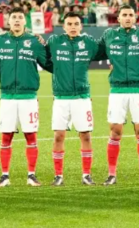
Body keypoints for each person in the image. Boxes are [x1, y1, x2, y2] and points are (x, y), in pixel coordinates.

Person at [0, 8, 48, 187]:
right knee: (6, 137)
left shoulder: (34, 42)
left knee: (31, 136)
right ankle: (4, 175)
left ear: (25, 21)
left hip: (29, 97)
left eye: (20, 17)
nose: (16, 20)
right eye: (13, 17)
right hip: (7, 97)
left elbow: (49, 63)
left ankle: (31, 175)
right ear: (8, 20)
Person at [96, 5, 139, 186]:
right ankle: (112, 174)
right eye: (124, 15)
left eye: (130, 15)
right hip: (117, 90)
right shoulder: (109, 35)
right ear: (118, 18)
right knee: (115, 131)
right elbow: (95, 52)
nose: (128, 17)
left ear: (135, 17)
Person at [44, 12, 102, 186]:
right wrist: (57, 72)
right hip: (61, 97)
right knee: (59, 136)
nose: (73, 27)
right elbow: (43, 57)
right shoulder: (54, 42)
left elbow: (106, 54)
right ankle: (58, 175)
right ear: (64, 26)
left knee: (85, 135)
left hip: (82, 97)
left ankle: (86, 175)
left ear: (81, 25)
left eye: (76, 23)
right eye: (69, 24)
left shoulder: (90, 43)